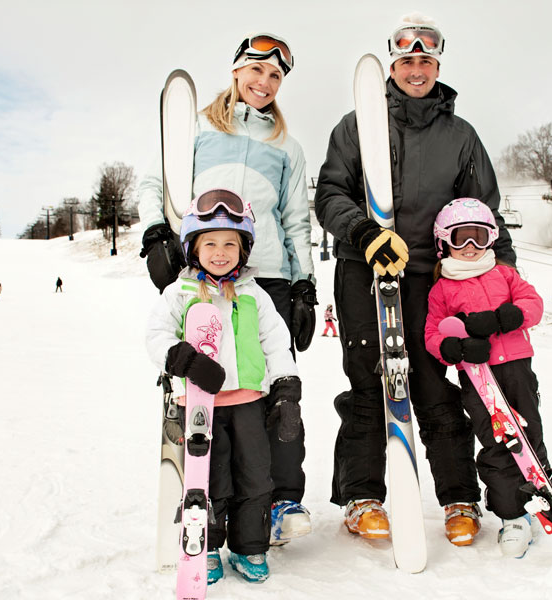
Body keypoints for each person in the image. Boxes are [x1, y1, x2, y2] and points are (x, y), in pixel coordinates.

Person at [314, 13, 517, 547]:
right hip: (366, 268)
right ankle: (362, 496)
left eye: (426, 60)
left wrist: (505, 280)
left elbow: (484, 212)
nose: (416, 69)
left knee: (430, 380)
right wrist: (364, 232)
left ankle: (459, 498)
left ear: (437, 65)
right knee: (370, 379)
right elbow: (330, 194)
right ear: (393, 65)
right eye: (407, 60)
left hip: (433, 276)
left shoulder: (461, 136)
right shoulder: (358, 123)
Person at [136, 33, 316, 545]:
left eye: (275, 76)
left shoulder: (287, 147)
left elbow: (296, 220)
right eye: (257, 70)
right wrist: (156, 235)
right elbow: (156, 186)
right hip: (201, 275)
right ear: (237, 71)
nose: (264, 83)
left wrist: (303, 285)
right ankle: (205, 499)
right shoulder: (197, 129)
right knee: (207, 386)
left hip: (267, 278)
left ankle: (279, 500)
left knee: (274, 394)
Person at [146, 190, 301, 584]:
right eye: (209, 243)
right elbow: (156, 336)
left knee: (254, 476)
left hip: (249, 401)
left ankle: (250, 547)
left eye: (230, 243)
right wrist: (186, 361)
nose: (220, 252)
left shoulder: (254, 294)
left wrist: (285, 390)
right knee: (209, 477)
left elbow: (276, 342)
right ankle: (208, 546)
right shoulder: (178, 293)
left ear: (244, 249)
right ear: (192, 248)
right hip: (200, 405)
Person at [422, 198, 552, 558]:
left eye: (478, 238)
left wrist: (507, 317)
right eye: (460, 239)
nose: (469, 248)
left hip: (516, 367)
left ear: (491, 239)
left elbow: (534, 304)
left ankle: (540, 498)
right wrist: (454, 349)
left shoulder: (504, 274)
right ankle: (512, 517)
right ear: (443, 242)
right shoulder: (442, 289)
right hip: (478, 378)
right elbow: (433, 334)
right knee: (496, 443)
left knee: (529, 436)